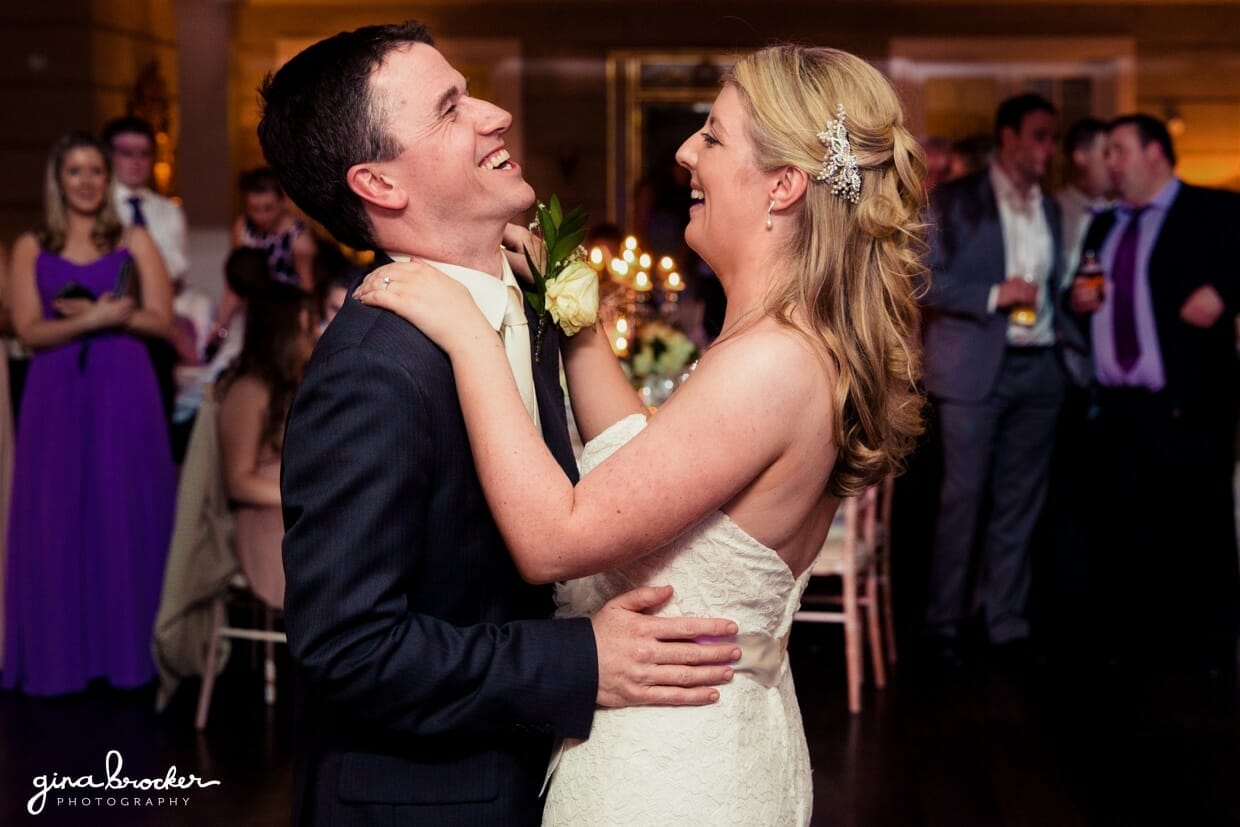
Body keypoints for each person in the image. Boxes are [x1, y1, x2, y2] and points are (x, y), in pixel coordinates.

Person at [358, 43, 926, 824]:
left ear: (785, 187)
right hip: (715, 734)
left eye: (715, 137)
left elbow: (556, 538)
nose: (685, 152)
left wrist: (467, 337)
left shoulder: (770, 363)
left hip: (670, 775)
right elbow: (645, 462)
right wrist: (568, 300)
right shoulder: (789, 341)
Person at [259, 21, 739, 825]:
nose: (495, 115)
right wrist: (580, 658)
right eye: (451, 109)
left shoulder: (527, 299)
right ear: (378, 183)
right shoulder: (375, 366)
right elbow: (347, 648)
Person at [2, 131, 175, 695]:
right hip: (54, 394)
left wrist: (112, 318)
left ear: (108, 179)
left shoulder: (133, 238)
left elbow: (160, 321)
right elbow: (28, 329)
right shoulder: (31, 245)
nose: (86, 181)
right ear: (57, 179)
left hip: (125, 390)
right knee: (57, 515)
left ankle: (132, 656)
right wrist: (90, 320)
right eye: (74, 171)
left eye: (96, 171)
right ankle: (61, 659)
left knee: (123, 511)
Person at [1068, 114, 1240, 681]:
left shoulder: (1210, 210)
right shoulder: (1104, 225)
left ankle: (1211, 653)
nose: (1108, 161)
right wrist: (1077, 299)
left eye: (1117, 150)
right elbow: (1084, 289)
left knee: (1200, 531)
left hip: (1187, 404)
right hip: (1117, 408)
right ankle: (1137, 651)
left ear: (1156, 154)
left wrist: (1224, 293)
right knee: (1125, 533)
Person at [919, 93, 1068, 665]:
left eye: (1052, 138)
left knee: (1020, 501)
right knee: (963, 498)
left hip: (1042, 366)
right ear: (1007, 138)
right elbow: (918, 280)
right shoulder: (956, 200)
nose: (1047, 149)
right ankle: (944, 623)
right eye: (1039, 136)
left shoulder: (1050, 207)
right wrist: (992, 294)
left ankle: (1004, 619)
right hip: (972, 369)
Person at [216, 282, 316, 609]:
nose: (314, 334)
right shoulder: (249, 391)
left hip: (296, 513)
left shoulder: (296, 384)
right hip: (267, 519)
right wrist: (304, 497)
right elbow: (238, 482)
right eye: (307, 326)